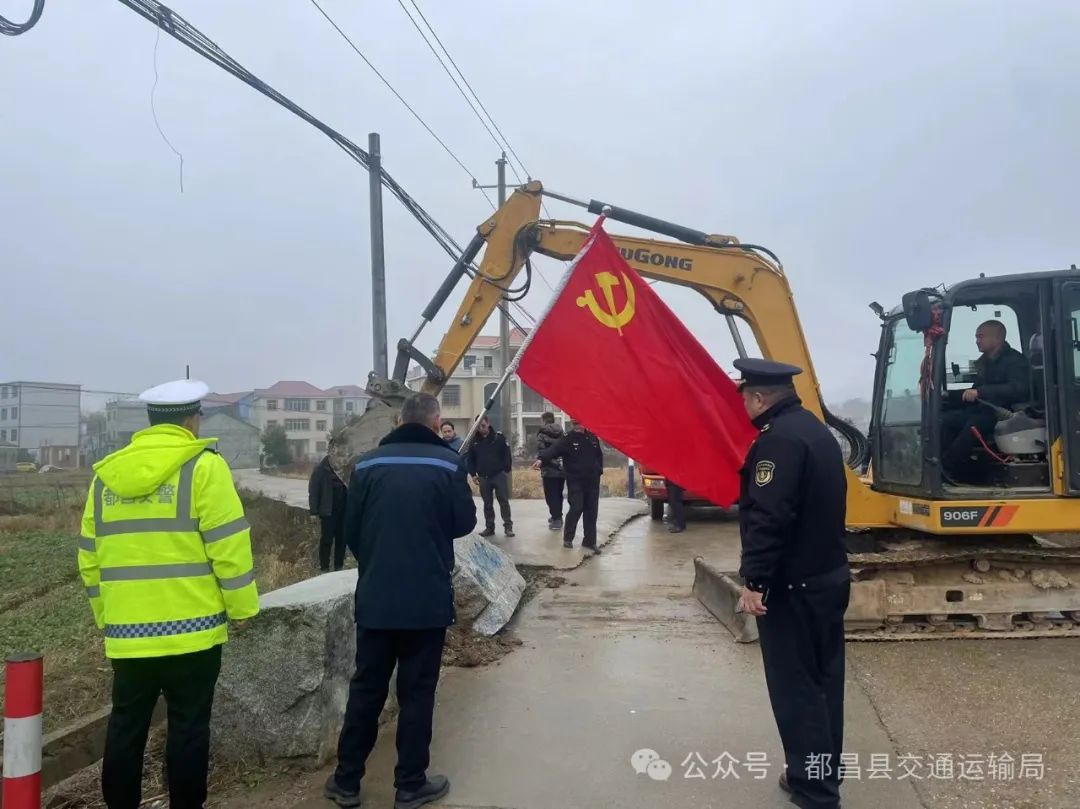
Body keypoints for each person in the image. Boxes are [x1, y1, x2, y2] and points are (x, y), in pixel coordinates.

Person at [78, 379, 259, 809]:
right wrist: (242, 608)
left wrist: (107, 615)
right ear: (192, 421)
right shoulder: (204, 467)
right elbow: (229, 545)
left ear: (150, 421)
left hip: (127, 637)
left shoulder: (106, 477)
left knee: (125, 728)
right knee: (189, 730)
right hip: (193, 635)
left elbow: (89, 557)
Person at [325, 393, 476, 809]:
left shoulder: (368, 465)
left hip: (376, 598)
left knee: (366, 689)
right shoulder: (448, 464)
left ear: (398, 421)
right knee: (417, 693)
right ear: (435, 422)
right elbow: (464, 524)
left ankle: (346, 781)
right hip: (426, 600)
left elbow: (352, 531)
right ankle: (410, 785)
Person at [732, 358, 849, 809]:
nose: (742, 404)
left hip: (794, 586)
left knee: (796, 689)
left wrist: (754, 581)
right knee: (823, 683)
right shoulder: (814, 431)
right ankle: (820, 771)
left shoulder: (778, 442)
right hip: (827, 576)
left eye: (744, 396)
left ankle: (816, 794)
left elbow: (770, 517)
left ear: (760, 398)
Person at [940, 320, 1030, 481]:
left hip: (1002, 413)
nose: (977, 341)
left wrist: (981, 392)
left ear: (996, 338)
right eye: (976, 337)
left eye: (980, 336)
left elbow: (1019, 389)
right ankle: (953, 466)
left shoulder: (1016, 361)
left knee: (974, 424)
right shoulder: (985, 363)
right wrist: (946, 396)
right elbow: (973, 393)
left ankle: (947, 467)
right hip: (982, 409)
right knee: (945, 419)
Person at [535, 418, 604, 554]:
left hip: (592, 482)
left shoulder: (592, 438)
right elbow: (553, 450)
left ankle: (590, 541)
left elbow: (599, 456)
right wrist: (541, 459)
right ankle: (568, 538)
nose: (578, 426)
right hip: (576, 481)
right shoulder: (567, 439)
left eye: (579, 423)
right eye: (575, 424)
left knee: (591, 512)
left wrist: (598, 471)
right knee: (576, 508)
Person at [465, 415, 514, 538]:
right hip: (483, 477)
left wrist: (505, 470)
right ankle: (489, 527)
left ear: (488, 424)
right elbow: (470, 459)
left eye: (483, 425)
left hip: (498, 475)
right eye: (478, 426)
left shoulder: (499, 438)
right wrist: (473, 474)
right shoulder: (474, 441)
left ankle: (508, 527)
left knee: (503, 501)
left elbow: (507, 455)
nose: (481, 428)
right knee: (487, 503)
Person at [309, 443, 348, 572]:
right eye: (334, 450)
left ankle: (339, 566)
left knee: (342, 540)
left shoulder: (345, 468)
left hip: (344, 510)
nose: (336, 453)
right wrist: (313, 512)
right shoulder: (321, 469)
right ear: (330, 451)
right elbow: (313, 491)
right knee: (327, 540)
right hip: (328, 511)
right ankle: (324, 568)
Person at [535, 412, 566, 531]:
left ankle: (556, 518)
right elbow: (564, 449)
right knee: (558, 494)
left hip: (548, 469)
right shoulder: (562, 432)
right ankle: (558, 516)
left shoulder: (541, 434)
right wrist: (559, 464)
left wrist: (548, 462)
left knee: (550, 495)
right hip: (561, 468)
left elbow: (542, 452)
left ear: (544, 421)